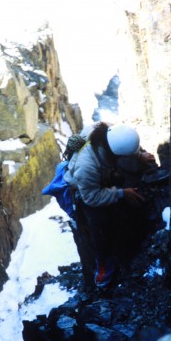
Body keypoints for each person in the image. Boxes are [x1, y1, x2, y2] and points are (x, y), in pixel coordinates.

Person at [64, 121, 156, 288]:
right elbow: (91, 197)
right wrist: (121, 193)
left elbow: (124, 145)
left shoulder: (111, 133)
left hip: (101, 175)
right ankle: (103, 265)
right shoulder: (86, 166)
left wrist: (139, 154)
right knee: (99, 224)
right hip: (85, 190)